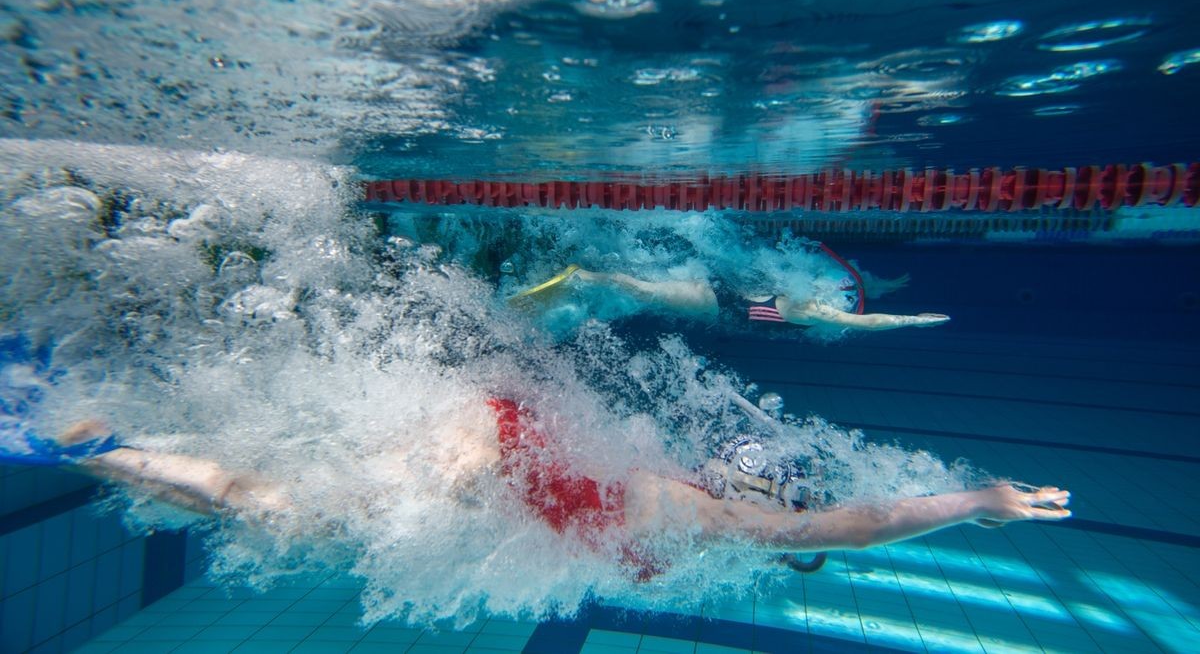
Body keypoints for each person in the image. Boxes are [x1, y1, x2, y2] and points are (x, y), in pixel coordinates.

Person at [46, 397, 1070, 577]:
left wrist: (980, 499)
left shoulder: (693, 499)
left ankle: (120, 442)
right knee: (283, 508)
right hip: (482, 454)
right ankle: (106, 446)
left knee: (280, 497)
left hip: (486, 437)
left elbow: (854, 521)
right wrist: (978, 502)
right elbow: (868, 522)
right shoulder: (707, 517)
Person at [510, 251, 950, 332]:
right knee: (643, 289)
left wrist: (891, 298)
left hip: (717, 292)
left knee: (646, 283)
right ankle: (582, 276)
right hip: (714, 302)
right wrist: (902, 312)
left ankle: (590, 276)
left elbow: (862, 309)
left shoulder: (810, 297)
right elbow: (862, 317)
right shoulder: (815, 306)